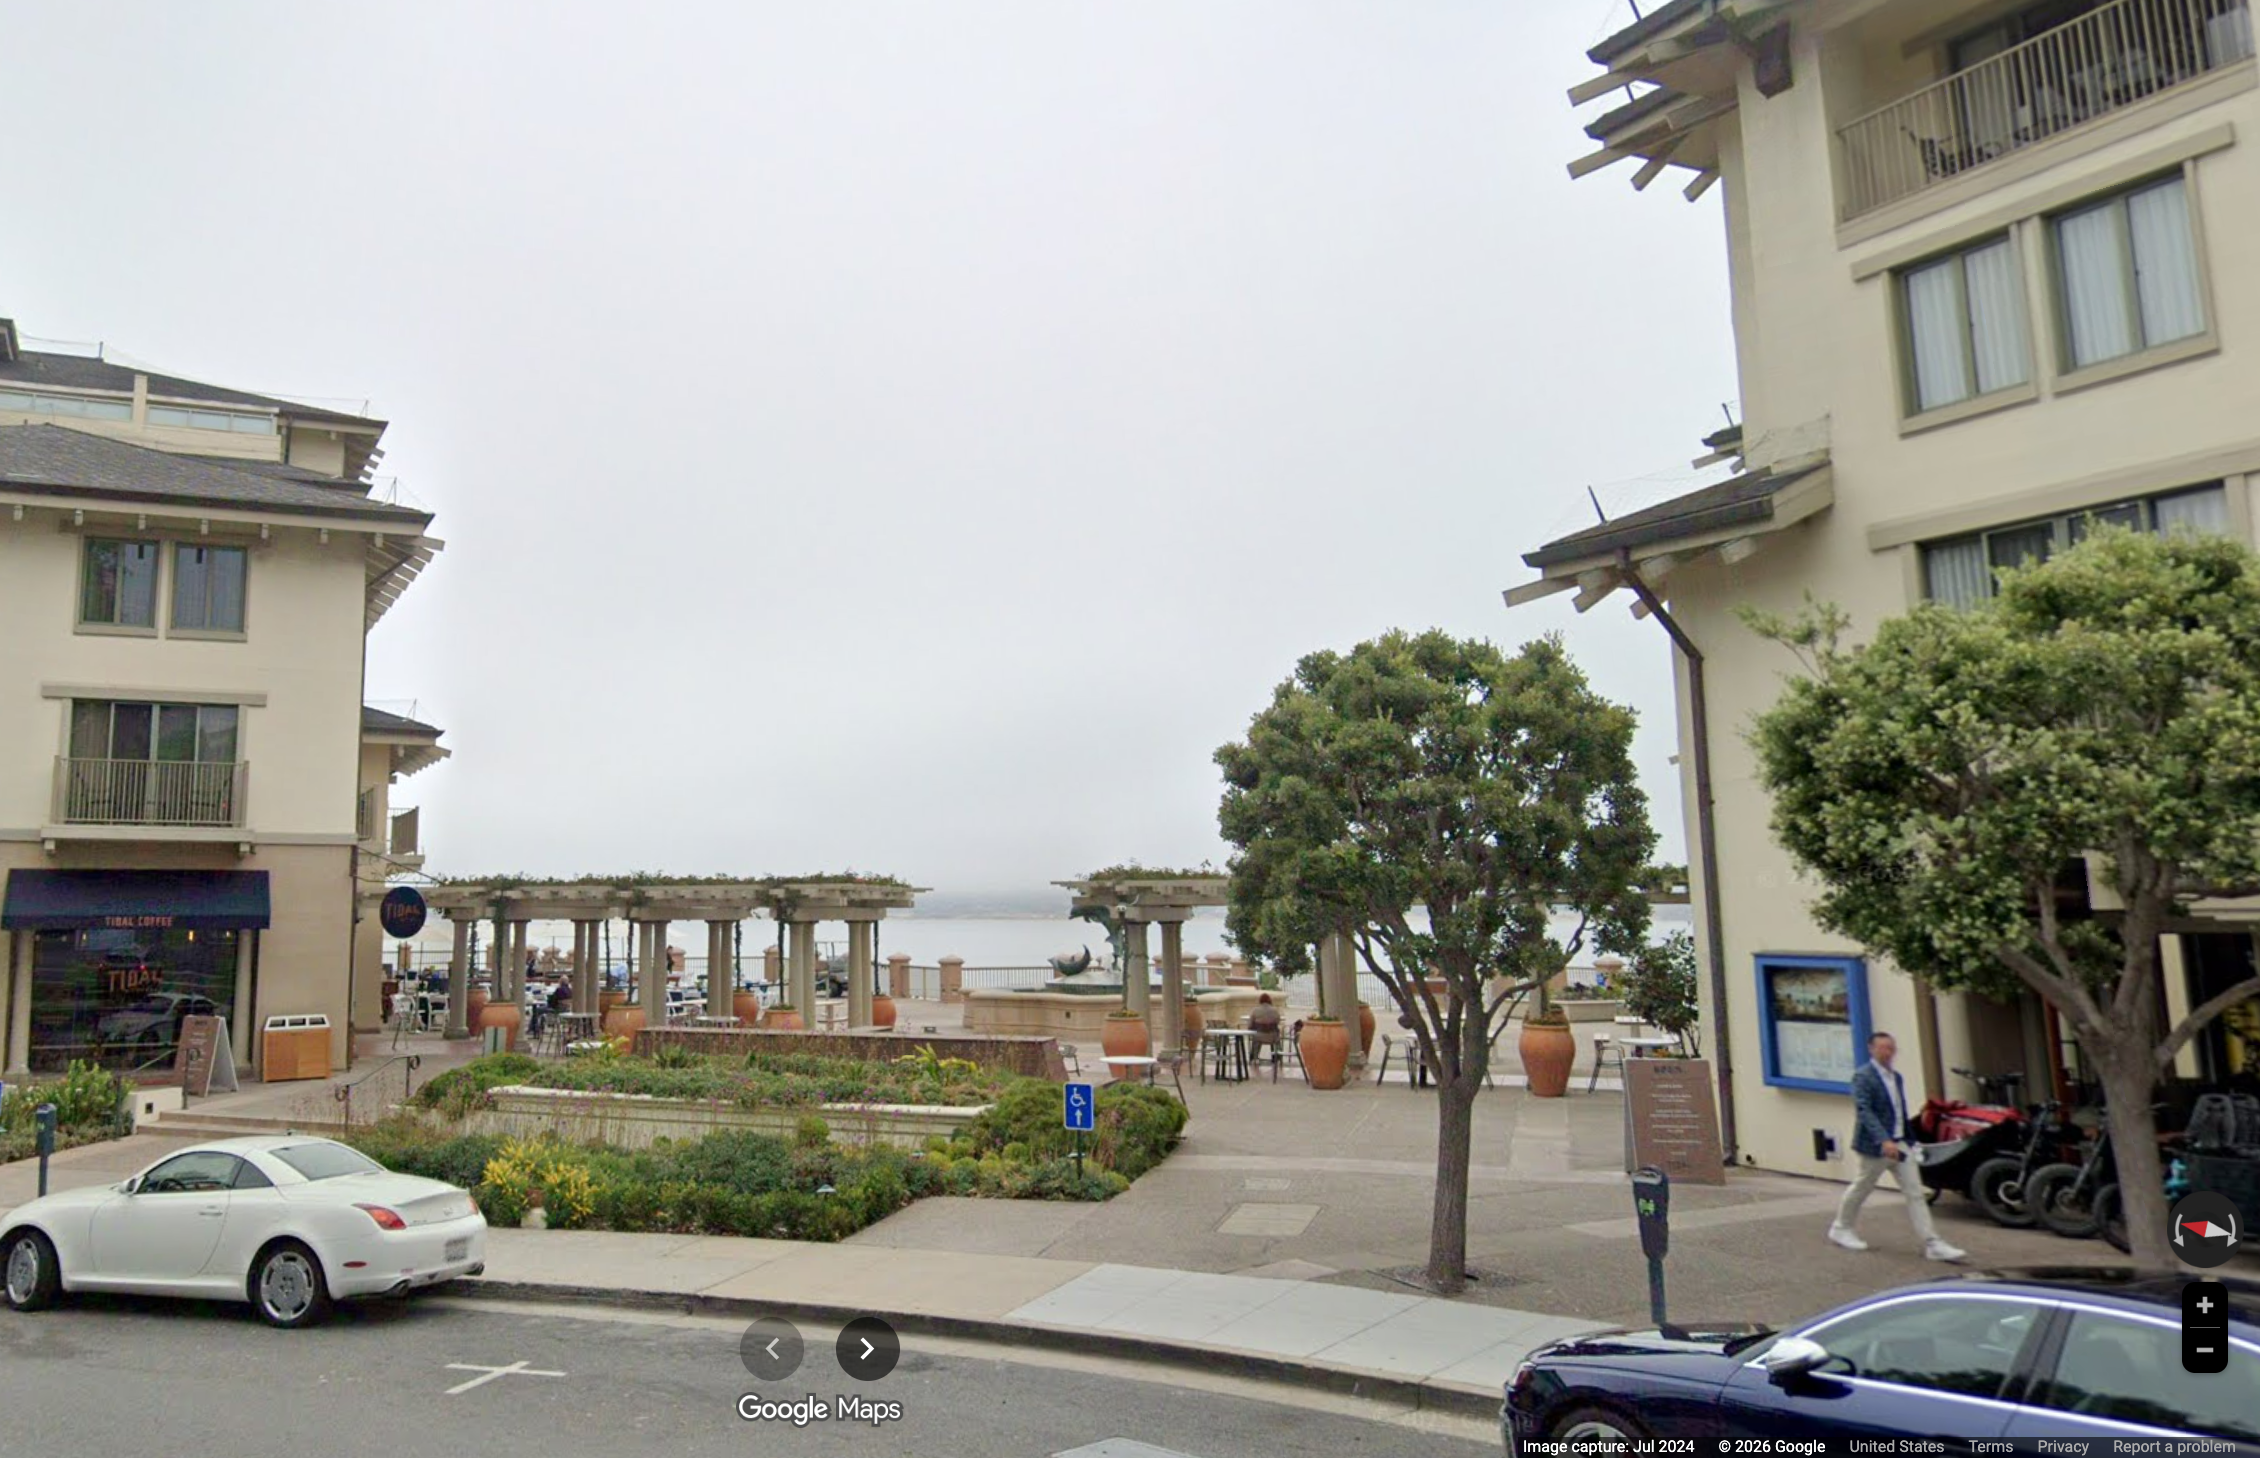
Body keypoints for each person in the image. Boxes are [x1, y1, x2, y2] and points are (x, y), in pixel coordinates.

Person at [1829, 1031, 1966, 1262]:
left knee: (1915, 1193)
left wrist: (1909, 1141)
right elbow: (1864, 1111)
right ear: (1871, 1049)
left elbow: (1899, 1111)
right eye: (1883, 1048)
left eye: (1891, 1048)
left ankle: (1932, 1242)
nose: (1888, 1052)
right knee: (1863, 1186)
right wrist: (1884, 1140)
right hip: (1876, 1146)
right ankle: (1841, 1227)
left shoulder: (1896, 1077)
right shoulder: (1863, 1076)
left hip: (1900, 1143)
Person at [1248, 993, 1282, 1064]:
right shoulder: (1275, 1010)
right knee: (1277, 1036)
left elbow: (1250, 1025)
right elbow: (1278, 1022)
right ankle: (1276, 1056)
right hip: (1273, 1037)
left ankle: (1254, 1056)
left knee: (1255, 1039)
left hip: (1258, 1037)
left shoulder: (1255, 1010)